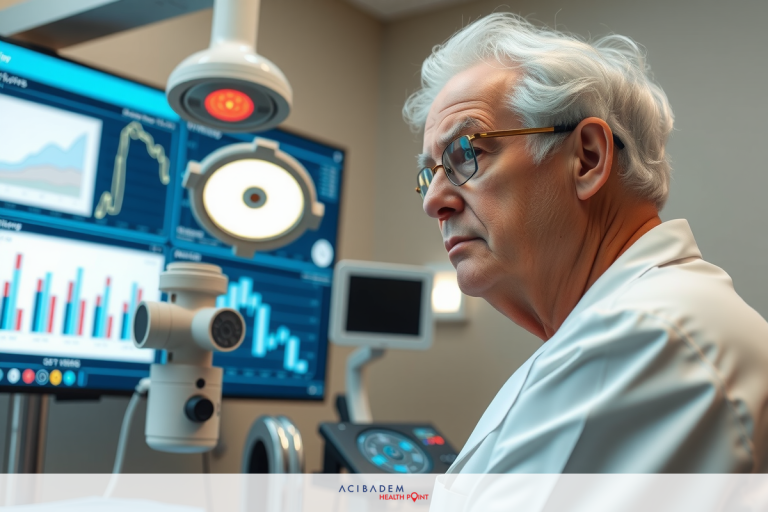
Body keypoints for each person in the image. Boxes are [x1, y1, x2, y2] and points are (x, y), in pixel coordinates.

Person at [405, 12, 768, 478]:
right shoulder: (616, 330)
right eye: (428, 172)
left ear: (587, 159)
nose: (433, 200)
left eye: (466, 153)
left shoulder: (649, 341)